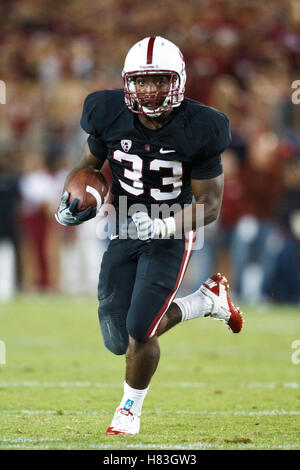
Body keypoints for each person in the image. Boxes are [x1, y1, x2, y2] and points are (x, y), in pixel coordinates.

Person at [55, 36, 243, 435]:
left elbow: (209, 206)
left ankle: (128, 410)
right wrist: (73, 201)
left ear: (177, 82)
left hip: (175, 227)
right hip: (124, 223)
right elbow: (89, 166)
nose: (150, 90)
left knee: (142, 328)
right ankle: (206, 301)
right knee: (117, 339)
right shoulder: (105, 112)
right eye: (142, 81)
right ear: (128, 83)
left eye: (159, 81)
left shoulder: (202, 126)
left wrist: (164, 224)